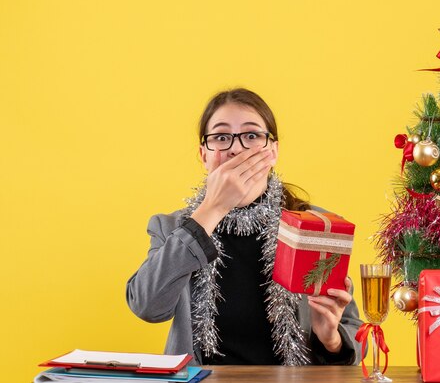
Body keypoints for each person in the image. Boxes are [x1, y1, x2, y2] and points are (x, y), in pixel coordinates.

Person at [126, 88, 363, 366]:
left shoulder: (315, 226)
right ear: (204, 155)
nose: (236, 148)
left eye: (251, 135)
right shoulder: (172, 228)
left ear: (272, 151)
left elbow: (354, 335)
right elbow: (147, 306)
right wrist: (212, 209)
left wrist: (331, 338)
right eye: (221, 137)